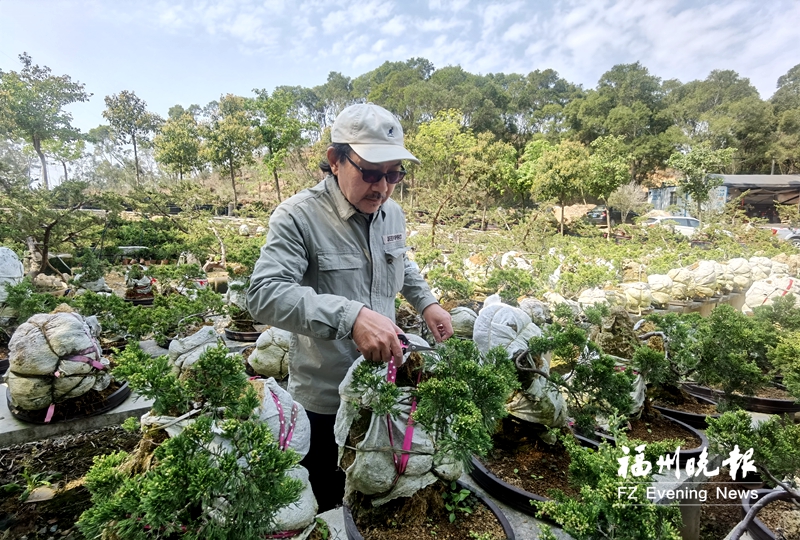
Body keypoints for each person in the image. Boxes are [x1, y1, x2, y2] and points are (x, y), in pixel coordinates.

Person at [246, 103, 453, 511]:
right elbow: (264, 293)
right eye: (371, 173)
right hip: (326, 401)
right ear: (334, 161)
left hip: (387, 388)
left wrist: (427, 303)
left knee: (382, 498)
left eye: (394, 175)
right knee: (330, 504)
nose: (383, 187)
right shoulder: (297, 217)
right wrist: (351, 315)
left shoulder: (390, 212)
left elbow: (401, 261)